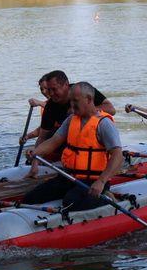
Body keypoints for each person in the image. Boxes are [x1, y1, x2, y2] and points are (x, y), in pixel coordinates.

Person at [24, 82, 123, 211]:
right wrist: (36, 151)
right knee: (30, 198)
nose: (72, 105)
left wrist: (102, 181)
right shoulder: (71, 120)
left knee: (70, 202)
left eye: (75, 101)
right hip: (69, 177)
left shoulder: (104, 124)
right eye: (71, 101)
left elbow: (117, 155)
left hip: (93, 180)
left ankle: (106, 197)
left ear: (88, 99)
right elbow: (54, 141)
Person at [27, 69, 116, 177]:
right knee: (51, 134)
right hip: (69, 142)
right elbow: (43, 137)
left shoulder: (83, 91)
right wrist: (35, 160)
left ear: (66, 85)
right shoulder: (51, 106)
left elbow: (111, 109)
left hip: (95, 140)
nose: (50, 94)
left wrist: (85, 110)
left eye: (54, 89)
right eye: (48, 90)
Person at [19, 75, 51, 146]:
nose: (44, 92)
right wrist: (27, 136)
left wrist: (39, 103)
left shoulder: (62, 103)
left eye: (47, 88)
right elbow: (43, 129)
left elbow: (58, 110)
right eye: (42, 89)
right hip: (46, 145)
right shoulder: (44, 105)